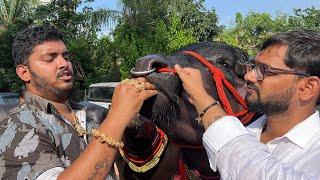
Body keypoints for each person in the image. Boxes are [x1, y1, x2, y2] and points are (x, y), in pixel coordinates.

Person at [0, 24, 157, 179]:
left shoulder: (87, 115)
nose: (64, 64)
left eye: (66, 57)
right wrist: (117, 117)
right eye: (50, 58)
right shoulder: (15, 126)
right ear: (24, 73)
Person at [173, 29, 320, 179]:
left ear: (308, 88)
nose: (249, 76)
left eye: (265, 70)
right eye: (254, 66)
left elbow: (256, 171)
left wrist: (204, 101)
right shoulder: (246, 129)